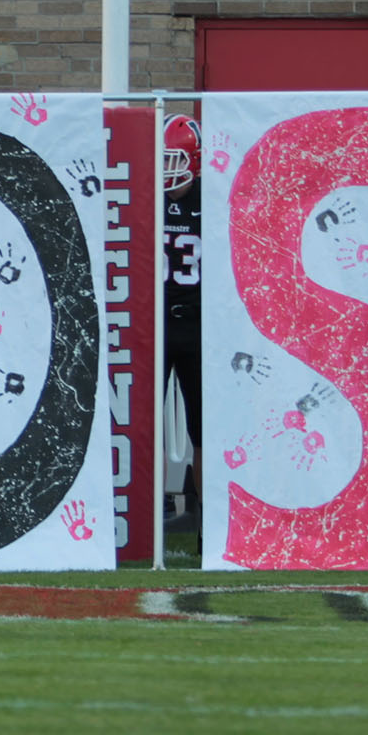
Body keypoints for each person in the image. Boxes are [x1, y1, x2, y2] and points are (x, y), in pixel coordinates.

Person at [159, 113, 206, 526]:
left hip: (199, 325)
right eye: (162, 160)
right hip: (156, 326)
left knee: (202, 429)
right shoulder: (146, 199)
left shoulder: (210, 202)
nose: (167, 169)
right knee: (145, 421)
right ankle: (148, 507)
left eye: (175, 159)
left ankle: (205, 517)